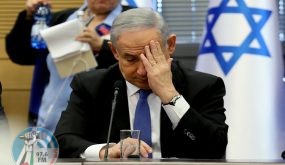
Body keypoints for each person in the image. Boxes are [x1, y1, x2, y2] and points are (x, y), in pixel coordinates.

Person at [54, 8, 228, 159]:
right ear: (114, 51)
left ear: (170, 45)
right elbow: (63, 141)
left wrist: (170, 95)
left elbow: (215, 148)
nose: (142, 71)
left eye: (151, 56)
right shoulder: (91, 86)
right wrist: (106, 150)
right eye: (130, 59)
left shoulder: (204, 86)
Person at [5, 0, 132, 133]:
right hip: (48, 119)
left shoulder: (132, 19)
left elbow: (139, 61)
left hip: (99, 122)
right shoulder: (63, 18)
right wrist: (29, 17)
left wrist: (102, 46)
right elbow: (21, 55)